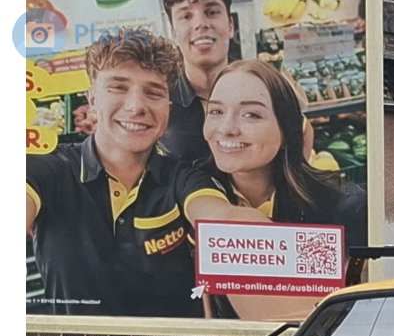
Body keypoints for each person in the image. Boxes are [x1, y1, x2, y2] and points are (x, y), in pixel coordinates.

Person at [25, 32, 270, 318]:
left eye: (153, 92)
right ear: (92, 100)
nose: (136, 106)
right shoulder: (49, 170)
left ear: (168, 108)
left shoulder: (184, 178)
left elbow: (218, 216)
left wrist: (260, 236)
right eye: (118, 87)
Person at [202, 59, 369, 319]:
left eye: (251, 115)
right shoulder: (191, 194)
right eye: (216, 112)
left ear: (286, 130)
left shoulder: (343, 207)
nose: (226, 129)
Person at [157, 0, 235, 165]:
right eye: (186, 16)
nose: (200, 24)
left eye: (212, 12)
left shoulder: (264, 90)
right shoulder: (158, 101)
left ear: (230, 25)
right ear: (173, 32)